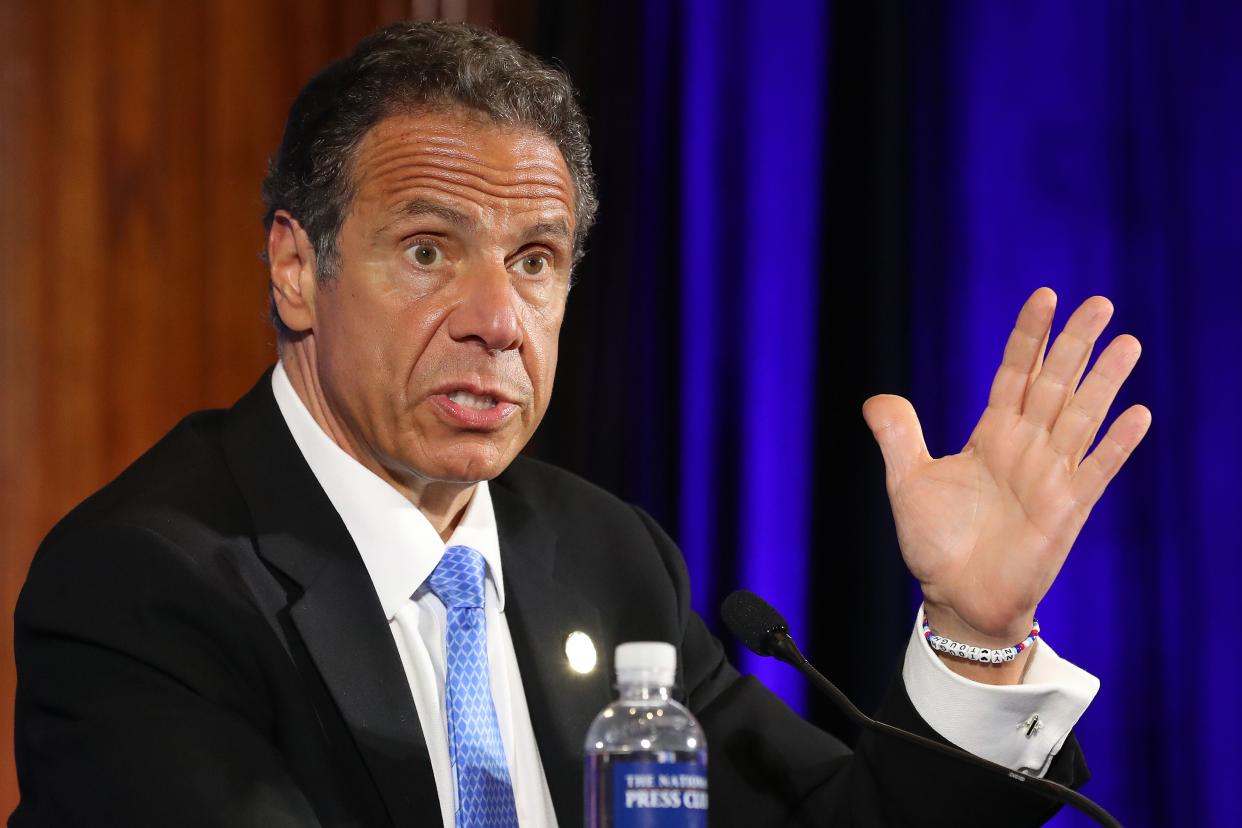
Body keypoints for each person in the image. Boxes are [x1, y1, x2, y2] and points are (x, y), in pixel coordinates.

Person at [11, 21, 1149, 828]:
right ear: (296, 271)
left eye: (537, 261)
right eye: (427, 250)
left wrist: (971, 631)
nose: (499, 321)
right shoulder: (141, 587)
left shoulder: (606, 558)